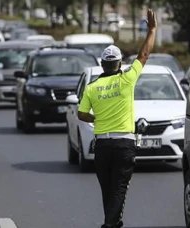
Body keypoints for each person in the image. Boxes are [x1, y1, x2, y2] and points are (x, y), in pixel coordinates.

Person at [77, 9, 157, 228]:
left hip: (102, 145)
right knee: (119, 189)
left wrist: (96, 117)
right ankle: (110, 225)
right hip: (124, 144)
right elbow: (144, 56)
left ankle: (111, 222)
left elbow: (81, 114)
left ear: (102, 65)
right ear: (119, 64)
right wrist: (151, 30)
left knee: (108, 189)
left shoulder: (92, 88)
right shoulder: (127, 80)